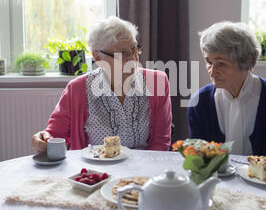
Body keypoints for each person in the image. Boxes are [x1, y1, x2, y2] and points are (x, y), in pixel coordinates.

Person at [31, 16, 172, 153]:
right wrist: (43, 138)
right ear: (97, 57)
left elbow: (160, 142)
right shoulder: (77, 89)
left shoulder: (157, 82)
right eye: (122, 54)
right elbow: (55, 134)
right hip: (97, 173)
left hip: (142, 172)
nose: (133, 59)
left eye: (135, 49)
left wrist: (142, 175)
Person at [187, 21, 266, 163]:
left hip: (265, 183)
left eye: (221, 63)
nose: (212, 71)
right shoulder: (199, 102)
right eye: (209, 62)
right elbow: (198, 162)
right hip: (216, 183)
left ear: (247, 60)